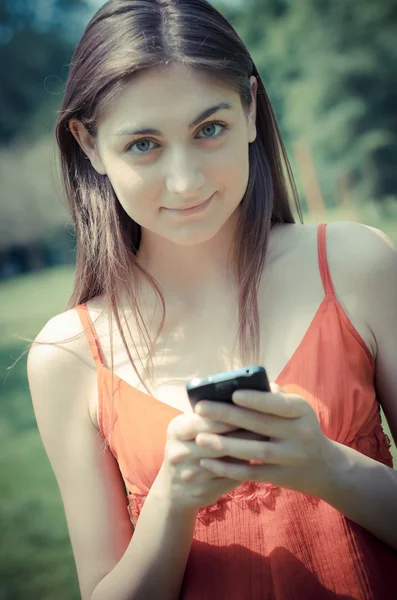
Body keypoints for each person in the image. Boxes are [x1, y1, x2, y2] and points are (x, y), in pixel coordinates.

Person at [26, 1, 397, 599]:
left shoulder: (355, 265)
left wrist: (328, 468)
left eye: (210, 129)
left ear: (250, 109)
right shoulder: (67, 356)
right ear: (89, 145)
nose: (186, 181)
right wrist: (170, 502)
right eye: (143, 144)